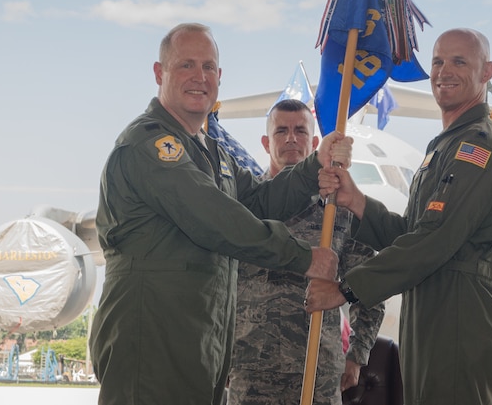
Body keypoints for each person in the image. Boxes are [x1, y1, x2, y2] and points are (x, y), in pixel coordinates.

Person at [90, 23, 352, 405]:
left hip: (201, 346)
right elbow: (217, 220)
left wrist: (315, 165)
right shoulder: (150, 145)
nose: (200, 77)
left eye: (209, 67)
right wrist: (305, 257)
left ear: (219, 77)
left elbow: (261, 200)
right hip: (152, 342)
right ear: (159, 73)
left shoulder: (213, 154)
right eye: (186, 66)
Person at [306, 28, 492, 405]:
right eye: (438, 61)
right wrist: (357, 201)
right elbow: (411, 233)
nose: (443, 72)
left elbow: (433, 240)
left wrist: (346, 289)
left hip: (458, 317)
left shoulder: (480, 147)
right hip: (430, 316)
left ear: (486, 72)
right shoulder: (444, 147)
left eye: (459, 61)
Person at [228, 99, 385, 405]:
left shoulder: (336, 210)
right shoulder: (244, 209)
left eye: (300, 130)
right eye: (281, 131)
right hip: (251, 371)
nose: (291, 138)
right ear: (265, 142)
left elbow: (370, 282)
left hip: (318, 372)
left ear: (314, 143)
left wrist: (357, 353)